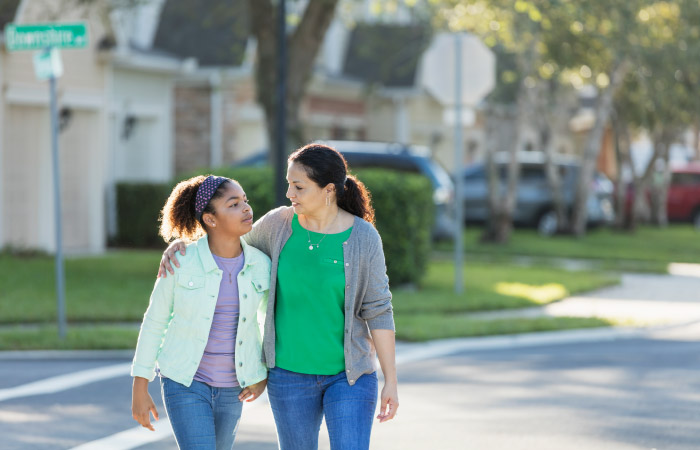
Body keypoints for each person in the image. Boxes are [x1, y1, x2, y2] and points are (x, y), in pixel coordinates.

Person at [159, 144, 399, 450]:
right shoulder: (278, 225)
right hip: (289, 377)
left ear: (328, 190)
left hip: (350, 376)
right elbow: (227, 245)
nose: (290, 194)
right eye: (289, 184)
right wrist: (184, 246)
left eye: (298, 187)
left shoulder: (364, 237)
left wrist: (390, 379)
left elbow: (378, 308)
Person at [131, 175, 270, 450]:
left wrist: (260, 374)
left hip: (234, 387)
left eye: (245, 201)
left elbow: (268, 323)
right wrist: (140, 386)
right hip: (185, 382)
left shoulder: (261, 264)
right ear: (210, 219)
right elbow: (155, 321)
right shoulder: (180, 261)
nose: (246, 208)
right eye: (233, 204)